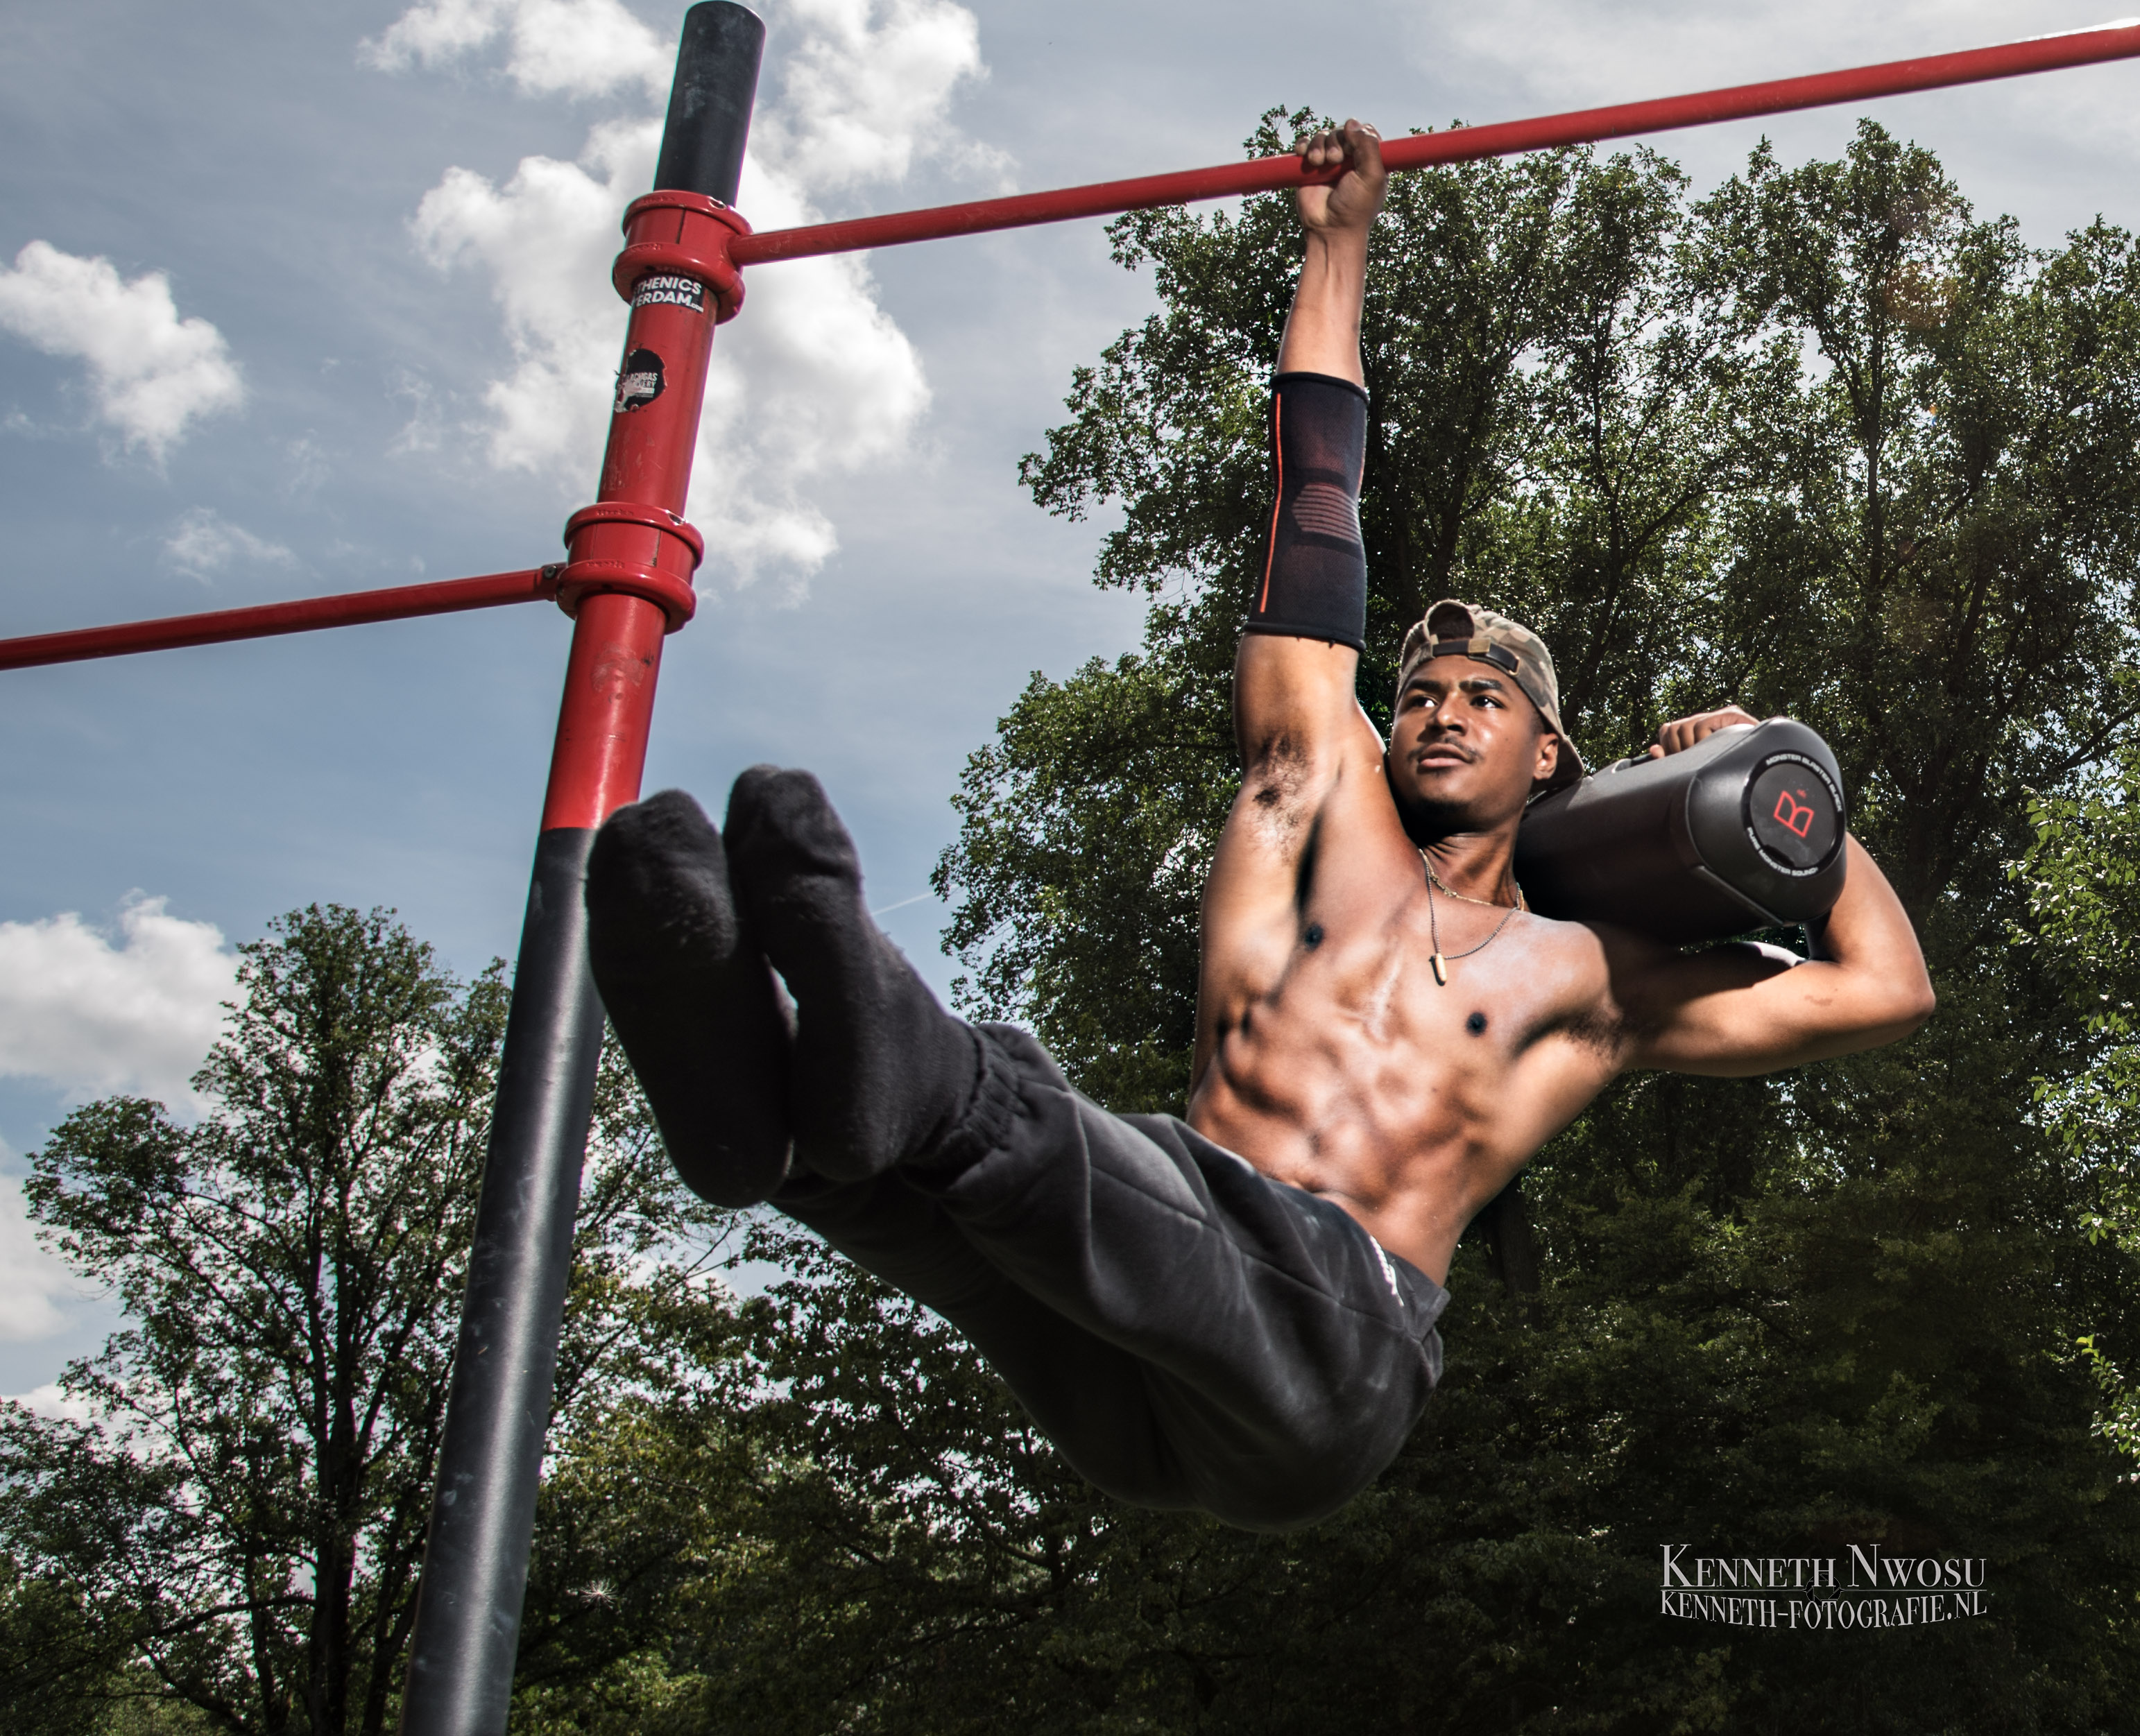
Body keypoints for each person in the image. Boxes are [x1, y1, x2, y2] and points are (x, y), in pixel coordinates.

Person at [582, 119, 1935, 1533]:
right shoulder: (1313, 789)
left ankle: (923, 1077)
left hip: (1333, 1357)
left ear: (1549, 753)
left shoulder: (1589, 979)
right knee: (947, 1207)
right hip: (1142, 1369)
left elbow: (1886, 990)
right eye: (1418, 693)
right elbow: (1315, 503)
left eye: (1484, 697)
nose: (1439, 711)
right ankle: (770, 1117)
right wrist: (1336, 243)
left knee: (1012, 1132)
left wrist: (1795, 800)